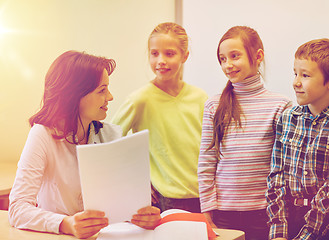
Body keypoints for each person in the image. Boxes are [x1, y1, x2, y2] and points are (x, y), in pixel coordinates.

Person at [8, 50, 161, 239]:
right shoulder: (42, 135)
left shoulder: (111, 134)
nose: (110, 97)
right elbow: (17, 209)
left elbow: (122, 206)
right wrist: (65, 224)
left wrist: (143, 216)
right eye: (102, 90)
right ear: (75, 95)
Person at [198, 26, 292, 240]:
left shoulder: (280, 105)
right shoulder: (213, 105)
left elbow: (283, 168)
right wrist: (206, 210)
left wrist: (280, 216)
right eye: (222, 59)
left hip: (264, 213)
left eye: (234, 56)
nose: (227, 65)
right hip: (223, 214)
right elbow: (206, 161)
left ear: (258, 56)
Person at [111, 22, 208, 213]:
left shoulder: (201, 98)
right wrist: (138, 180)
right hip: (168, 199)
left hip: (206, 197)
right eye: (154, 53)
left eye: (169, 54)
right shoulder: (140, 100)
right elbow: (109, 144)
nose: (160, 60)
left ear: (185, 56)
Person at [266, 38, 329, 240]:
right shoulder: (287, 118)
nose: (296, 82)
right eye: (295, 73)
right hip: (290, 218)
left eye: (305, 75)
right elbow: (277, 177)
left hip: (322, 224)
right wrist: (279, 232)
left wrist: (306, 235)